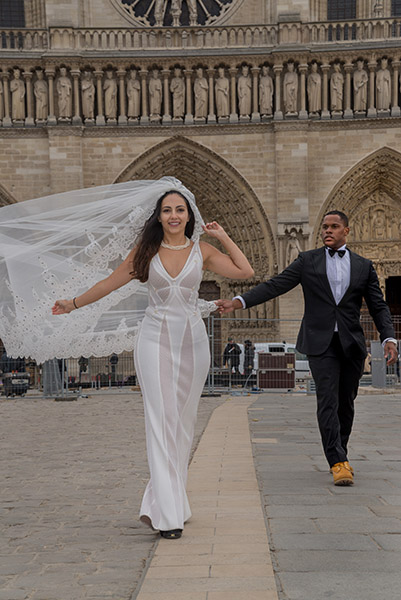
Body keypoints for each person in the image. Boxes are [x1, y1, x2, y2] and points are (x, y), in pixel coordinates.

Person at [50, 181, 254, 539]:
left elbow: (245, 272)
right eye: (167, 210)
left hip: (193, 342)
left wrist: (222, 237)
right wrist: (73, 303)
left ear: (189, 215)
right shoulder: (144, 252)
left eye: (180, 210)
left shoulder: (202, 251)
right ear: (158, 217)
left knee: (183, 424)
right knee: (160, 421)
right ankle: (169, 516)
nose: (173, 216)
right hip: (153, 340)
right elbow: (109, 283)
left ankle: (165, 501)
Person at [217, 210, 397, 486]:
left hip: (351, 344)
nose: (327, 230)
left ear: (346, 231)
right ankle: (337, 461)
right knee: (327, 399)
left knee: (346, 403)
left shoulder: (363, 266)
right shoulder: (307, 261)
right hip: (319, 342)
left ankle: (341, 453)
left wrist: (389, 338)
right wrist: (239, 301)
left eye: (334, 227)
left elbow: (378, 305)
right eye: (324, 227)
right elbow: (276, 285)